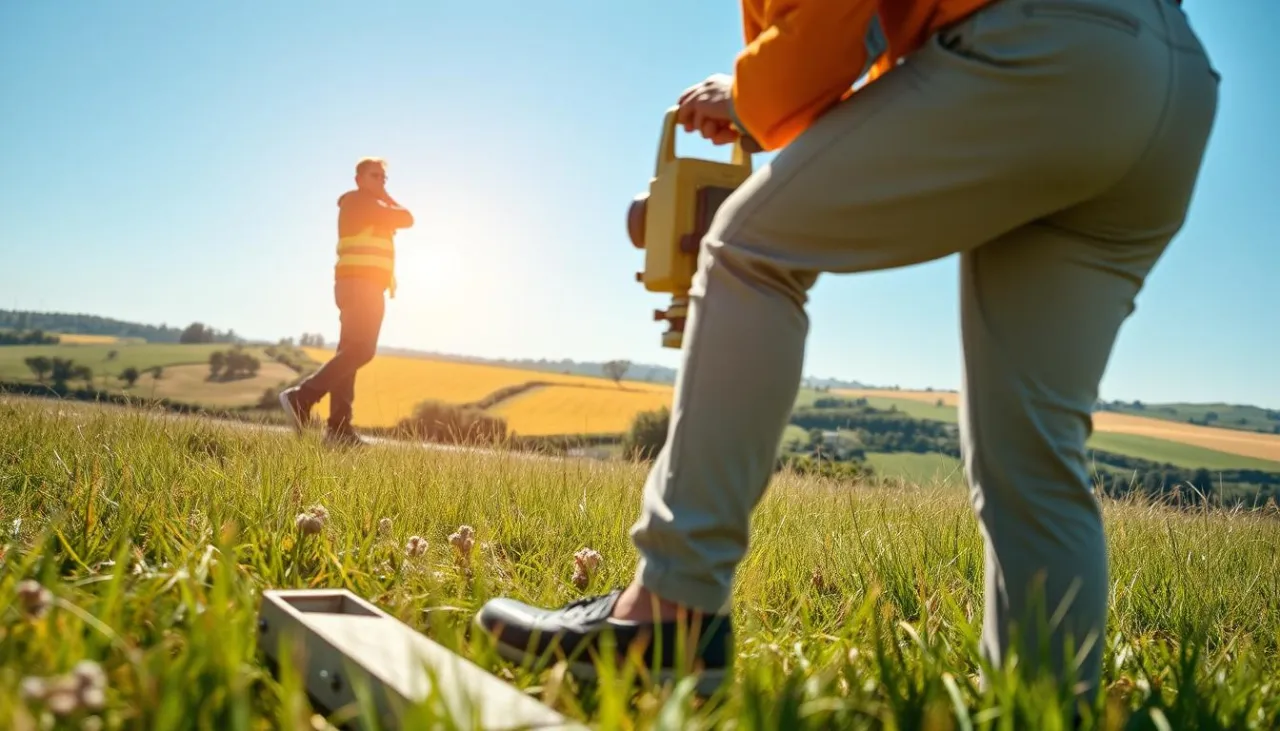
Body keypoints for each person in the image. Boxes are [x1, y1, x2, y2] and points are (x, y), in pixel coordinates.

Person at [474, 0, 1219, 705]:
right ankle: (1047, 704)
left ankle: (673, 606)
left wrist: (751, 89)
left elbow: (833, 23)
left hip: (1044, 51)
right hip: (1171, 82)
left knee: (746, 249)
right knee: (1032, 440)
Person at [279, 157, 414, 447]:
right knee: (362, 351)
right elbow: (407, 218)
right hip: (359, 285)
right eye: (375, 176)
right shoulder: (358, 202)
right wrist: (386, 197)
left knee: (349, 354)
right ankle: (302, 397)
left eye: (384, 178)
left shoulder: (371, 206)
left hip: (361, 286)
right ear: (359, 179)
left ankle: (339, 429)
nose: (381, 182)